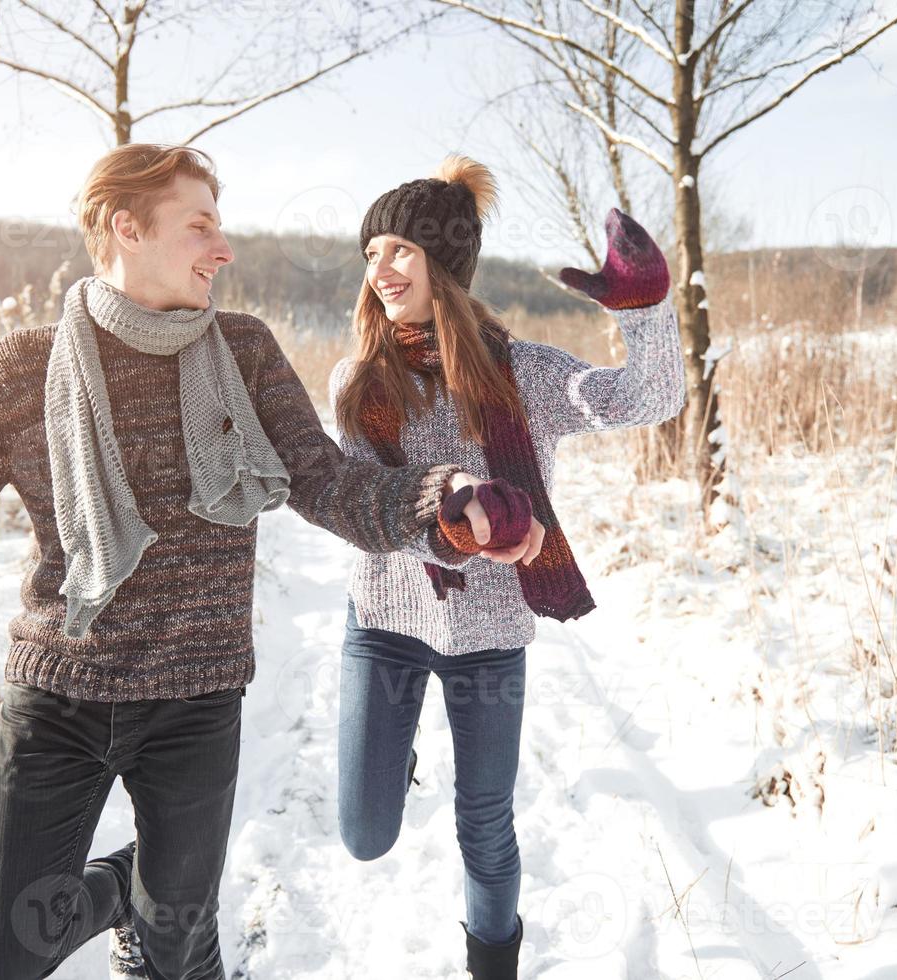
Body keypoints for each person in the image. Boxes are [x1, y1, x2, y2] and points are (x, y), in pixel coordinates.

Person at [0, 143, 530, 980]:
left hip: (196, 699)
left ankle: (156, 909)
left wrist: (441, 502)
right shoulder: (20, 368)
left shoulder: (243, 353)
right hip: (57, 694)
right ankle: (128, 886)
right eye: (200, 224)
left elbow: (327, 484)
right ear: (126, 229)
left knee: (175, 956)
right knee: (6, 954)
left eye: (221, 224)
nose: (223, 247)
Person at [328, 154, 687, 978]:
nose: (379, 270)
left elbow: (646, 398)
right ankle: (392, 753)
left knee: (483, 824)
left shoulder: (523, 373)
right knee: (363, 835)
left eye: (398, 251)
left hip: (488, 632)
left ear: (443, 265)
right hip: (384, 623)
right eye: (370, 254)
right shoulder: (359, 381)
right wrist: (452, 520)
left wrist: (644, 311)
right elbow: (361, 511)